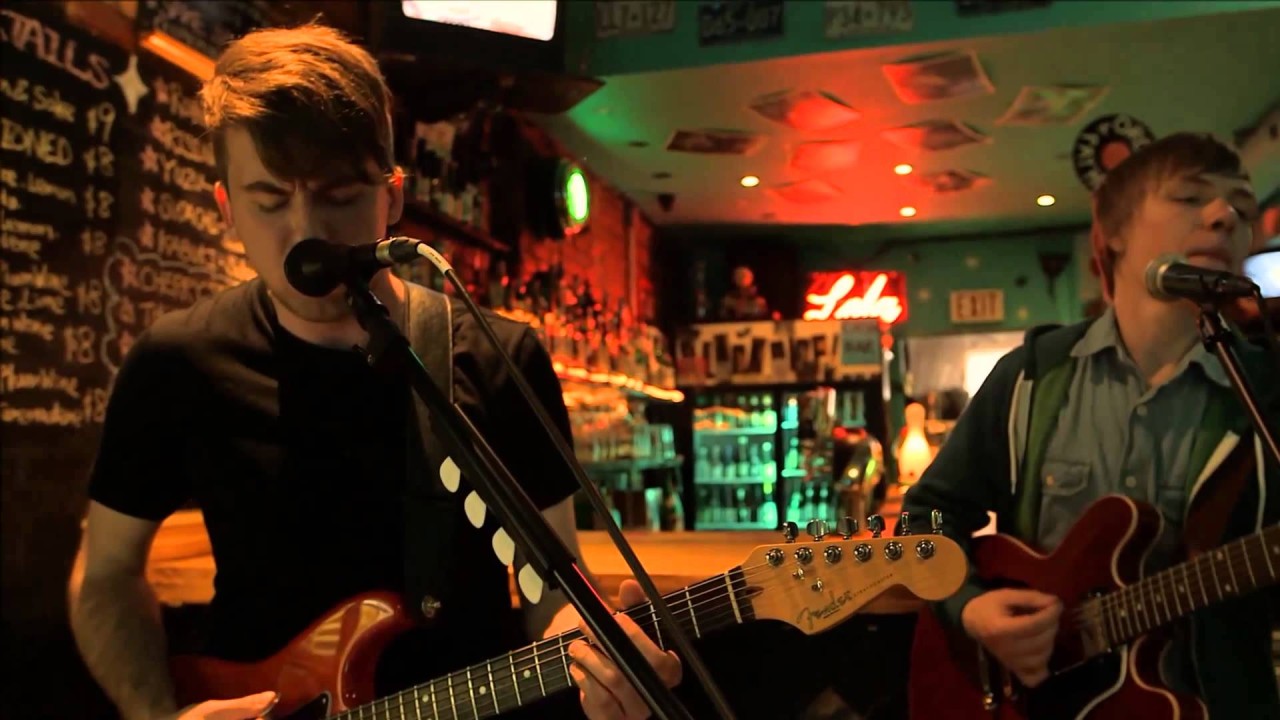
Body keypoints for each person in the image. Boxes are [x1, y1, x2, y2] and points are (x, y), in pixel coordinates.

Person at [66, 23, 679, 720]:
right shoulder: (176, 363)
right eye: (269, 199)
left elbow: (554, 587)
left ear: (391, 198)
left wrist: (595, 661)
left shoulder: (499, 356)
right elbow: (105, 575)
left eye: (338, 196)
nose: (306, 231)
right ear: (227, 208)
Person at [902, 132, 1279, 715]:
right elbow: (924, 518)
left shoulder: (1268, 390)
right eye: (1189, 198)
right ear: (1113, 235)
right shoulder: (1031, 376)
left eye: (1243, 209)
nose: (1225, 217)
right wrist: (970, 608)